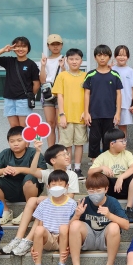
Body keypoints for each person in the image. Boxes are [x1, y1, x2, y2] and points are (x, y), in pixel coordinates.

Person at [0, 142, 80, 256]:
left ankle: (27, 241)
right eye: (63, 154)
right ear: (53, 161)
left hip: (62, 209)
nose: (67, 156)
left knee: (42, 207)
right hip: (49, 206)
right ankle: (18, 238)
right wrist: (37, 152)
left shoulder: (71, 175)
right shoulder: (48, 173)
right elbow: (32, 171)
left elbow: (70, 197)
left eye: (67, 153)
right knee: (32, 200)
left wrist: (47, 198)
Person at [66, 172, 130, 265]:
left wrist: (110, 215)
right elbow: (69, 226)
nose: (95, 193)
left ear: (106, 189)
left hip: (105, 239)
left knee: (114, 226)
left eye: (98, 190)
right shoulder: (84, 202)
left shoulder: (112, 202)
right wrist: (76, 215)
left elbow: (126, 225)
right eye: (91, 190)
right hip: (88, 238)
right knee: (75, 224)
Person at [23, 170, 77, 265]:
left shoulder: (72, 203)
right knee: (38, 229)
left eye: (60, 184)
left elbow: (73, 225)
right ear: (48, 186)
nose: (57, 187)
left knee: (63, 228)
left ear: (67, 186)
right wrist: (35, 243)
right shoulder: (44, 203)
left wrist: (70, 243)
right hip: (49, 238)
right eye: (53, 184)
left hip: (64, 237)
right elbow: (40, 224)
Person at [0, 126, 46, 225]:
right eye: (12, 141)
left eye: (19, 140)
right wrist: (3, 170)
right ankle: (5, 210)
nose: (15, 143)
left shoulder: (34, 152)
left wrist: (20, 170)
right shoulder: (5, 153)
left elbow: (41, 171)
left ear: (27, 141)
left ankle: (29, 210)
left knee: (30, 178)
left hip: (30, 188)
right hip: (10, 189)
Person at [88, 128, 133, 223]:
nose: (125, 143)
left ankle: (129, 209)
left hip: (124, 186)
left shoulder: (127, 154)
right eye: (122, 141)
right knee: (98, 176)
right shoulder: (103, 156)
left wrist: (121, 177)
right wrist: (102, 168)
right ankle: (103, 206)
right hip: (110, 188)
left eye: (125, 140)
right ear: (112, 144)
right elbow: (90, 172)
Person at [0, 36, 40, 127]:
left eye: (23, 46)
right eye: (18, 46)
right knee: (14, 129)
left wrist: (29, 95)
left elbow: (36, 84)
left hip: (23, 100)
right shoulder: (9, 61)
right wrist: (3, 50)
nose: (20, 49)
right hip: (9, 99)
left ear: (28, 48)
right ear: (14, 48)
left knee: (24, 129)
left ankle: (25, 142)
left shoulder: (31, 64)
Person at [83, 44, 123, 160]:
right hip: (94, 114)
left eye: (105, 55)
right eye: (99, 55)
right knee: (94, 139)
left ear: (110, 57)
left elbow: (118, 94)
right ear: (95, 57)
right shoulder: (91, 74)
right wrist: (86, 112)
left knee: (108, 139)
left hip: (110, 113)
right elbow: (86, 94)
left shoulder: (115, 75)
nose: (102, 58)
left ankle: (107, 162)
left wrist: (118, 113)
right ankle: (95, 163)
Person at [53, 48, 87, 177]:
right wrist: (62, 114)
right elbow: (59, 96)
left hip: (80, 116)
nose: (74, 61)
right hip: (65, 116)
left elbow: (88, 96)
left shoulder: (85, 76)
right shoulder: (62, 76)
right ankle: (67, 168)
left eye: (77, 59)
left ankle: (77, 169)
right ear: (66, 60)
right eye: (71, 59)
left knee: (79, 143)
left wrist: (86, 111)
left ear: (81, 61)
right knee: (66, 144)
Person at [40, 34, 65, 146]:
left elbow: (66, 78)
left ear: (62, 45)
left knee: (60, 124)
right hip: (47, 94)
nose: (55, 47)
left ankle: (59, 150)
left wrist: (63, 66)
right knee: (50, 123)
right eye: (52, 44)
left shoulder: (66, 59)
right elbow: (42, 80)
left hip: (61, 94)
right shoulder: (44, 60)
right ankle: (51, 150)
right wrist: (43, 66)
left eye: (58, 44)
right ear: (48, 46)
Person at [112, 45, 133, 136]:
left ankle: (122, 147)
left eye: (124, 55)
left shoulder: (130, 71)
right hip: (111, 104)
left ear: (128, 57)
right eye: (119, 55)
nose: (122, 57)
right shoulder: (111, 69)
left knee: (122, 128)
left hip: (125, 104)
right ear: (115, 56)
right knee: (110, 128)